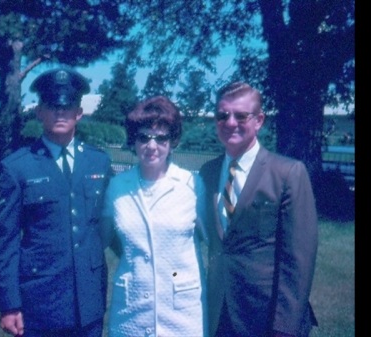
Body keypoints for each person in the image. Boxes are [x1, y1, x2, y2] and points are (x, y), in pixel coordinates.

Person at [0, 67, 113, 337]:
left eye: (67, 105)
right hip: (40, 302)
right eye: (52, 105)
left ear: (79, 113)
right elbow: (5, 240)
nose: (60, 112)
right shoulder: (17, 167)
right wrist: (9, 304)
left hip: (89, 301)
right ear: (39, 111)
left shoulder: (99, 162)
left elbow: (108, 225)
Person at [199, 81, 318, 337]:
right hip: (218, 311)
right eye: (222, 115)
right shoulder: (207, 173)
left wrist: (285, 326)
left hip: (267, 316)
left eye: (241, 115)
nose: (230, 122)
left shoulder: (287, 173)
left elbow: (299, 259)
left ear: (259, 120)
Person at [101, 96, 208, 337]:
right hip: (131, 313)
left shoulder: (192, 185)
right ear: (133, 140)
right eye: (144, 137)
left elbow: (212, 242)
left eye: (161, 138)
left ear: (173, 142)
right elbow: (104, 241)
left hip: (183, 314)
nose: (152, 146)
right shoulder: (117, 187)